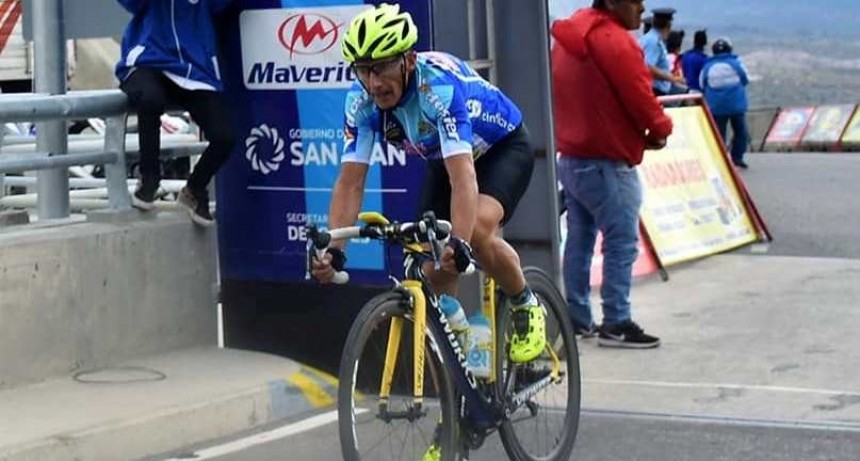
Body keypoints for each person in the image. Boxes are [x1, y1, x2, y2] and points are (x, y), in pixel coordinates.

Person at [311, 4, 546, 364]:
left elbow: (463, 176)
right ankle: (465, 348)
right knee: (428, 260)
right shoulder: (360, 102)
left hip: (501, 150)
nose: (374, 82)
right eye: (364, 70)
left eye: (383, 67)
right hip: (445, 158)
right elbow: (350, 182)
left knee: (476, 234)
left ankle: (525, 302)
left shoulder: (437, 87)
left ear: (407, 60)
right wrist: (336, 248)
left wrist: (460, 242)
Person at [551, 0, 672, 348]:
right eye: (635, 0)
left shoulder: (568, 37)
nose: (642, 7)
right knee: (621, 241)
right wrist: (661, 127)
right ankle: (616, 320)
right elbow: (640, 95)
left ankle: (576, 318)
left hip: (572, 157)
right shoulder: (614, 40)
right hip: (607, 162)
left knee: (579, 239)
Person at [116, 0, 236, 226]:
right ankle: (149, 177)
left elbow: (221, 6)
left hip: (194, 68)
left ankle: (194, 189)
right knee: (151, 99)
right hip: (149, 59)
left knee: (224, 137)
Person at [700, 37, 750, 169]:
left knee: (719, 134)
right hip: (736, 105)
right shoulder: (736, 63)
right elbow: (745, 79)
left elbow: (702, 84)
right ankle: (737, 158)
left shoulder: (707, 66)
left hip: (716, 107)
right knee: (740, 131)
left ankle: (721, 159)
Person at [639, 7, 686, 96]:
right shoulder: (654, 42)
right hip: (655, 90)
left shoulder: (647, 38)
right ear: (668, 25)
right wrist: (672, 78)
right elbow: (647, 67)